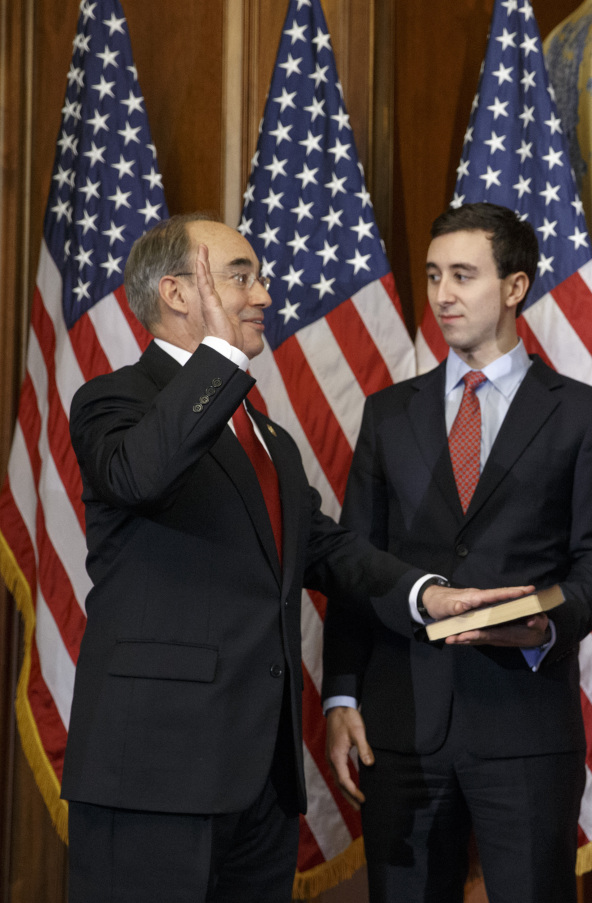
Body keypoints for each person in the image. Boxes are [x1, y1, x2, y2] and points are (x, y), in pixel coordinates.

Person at [63, 213, 527, 903]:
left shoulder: (265, 430)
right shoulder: (113, 400)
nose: (263, 296)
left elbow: (324, 546)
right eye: (239, 277)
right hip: (156, 773)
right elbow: (140, 473)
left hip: (261, 780)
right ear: (178, 294)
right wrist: (220, 358)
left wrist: (423, 593)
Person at [322, 202, 592, 903]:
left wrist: (545, 623)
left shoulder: (583, 414)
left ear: (515, 287)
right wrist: (341, 691)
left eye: (463, 275)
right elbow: (352, 562)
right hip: (400, 733)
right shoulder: (388, 413)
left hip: (522, 726)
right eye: (433, 276)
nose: (442, 295)